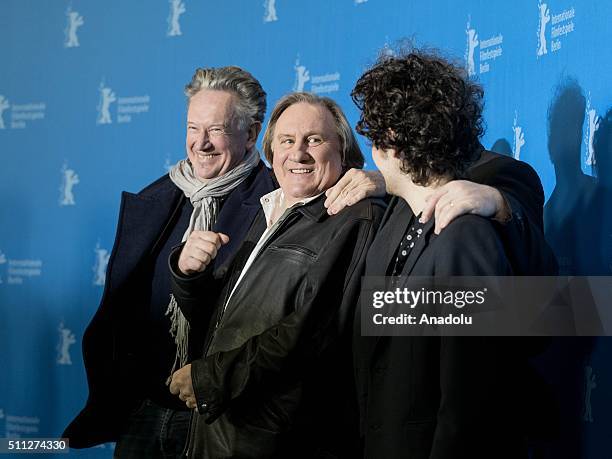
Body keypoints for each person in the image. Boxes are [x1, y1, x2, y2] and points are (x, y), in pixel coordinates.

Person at [62, 67, 376, 458]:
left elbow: (298, 326)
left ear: (250, 134)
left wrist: (381, 182)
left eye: (217, 130)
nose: (201, 144)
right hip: (146, 409)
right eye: (194, 128)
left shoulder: (282, 197)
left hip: (224, 414)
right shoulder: (157, 199)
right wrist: (185, 274)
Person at [351, 48, 557, 458]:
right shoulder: (397, 214)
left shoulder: (466, 238)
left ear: (390, 142)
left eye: (373, 135)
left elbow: (471, 400)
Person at [168, 92, 384, 458]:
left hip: (281, 441)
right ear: (271, 152)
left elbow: (312, 330)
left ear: (342, 151)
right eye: (287, 141)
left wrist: (210, 379)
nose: (298, 153)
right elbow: (229, 318)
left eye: (314, 140)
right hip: (227, 433)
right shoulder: (272, 210)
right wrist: (190, 276)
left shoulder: (354, 218)